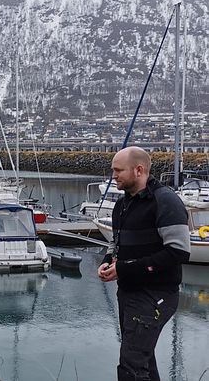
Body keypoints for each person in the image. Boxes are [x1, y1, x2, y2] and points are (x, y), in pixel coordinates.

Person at [97, 146, 190, 381]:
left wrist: (124, 269)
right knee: (143, 361)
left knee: (131, 365)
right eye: (112, 170)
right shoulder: (122, 205)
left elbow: (179, 252)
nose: (113, 175)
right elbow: (115, 243)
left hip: (156, 294)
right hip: (128, 292)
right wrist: (108, 261)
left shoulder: (165, 201)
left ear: (139, 170)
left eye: (118, 170)